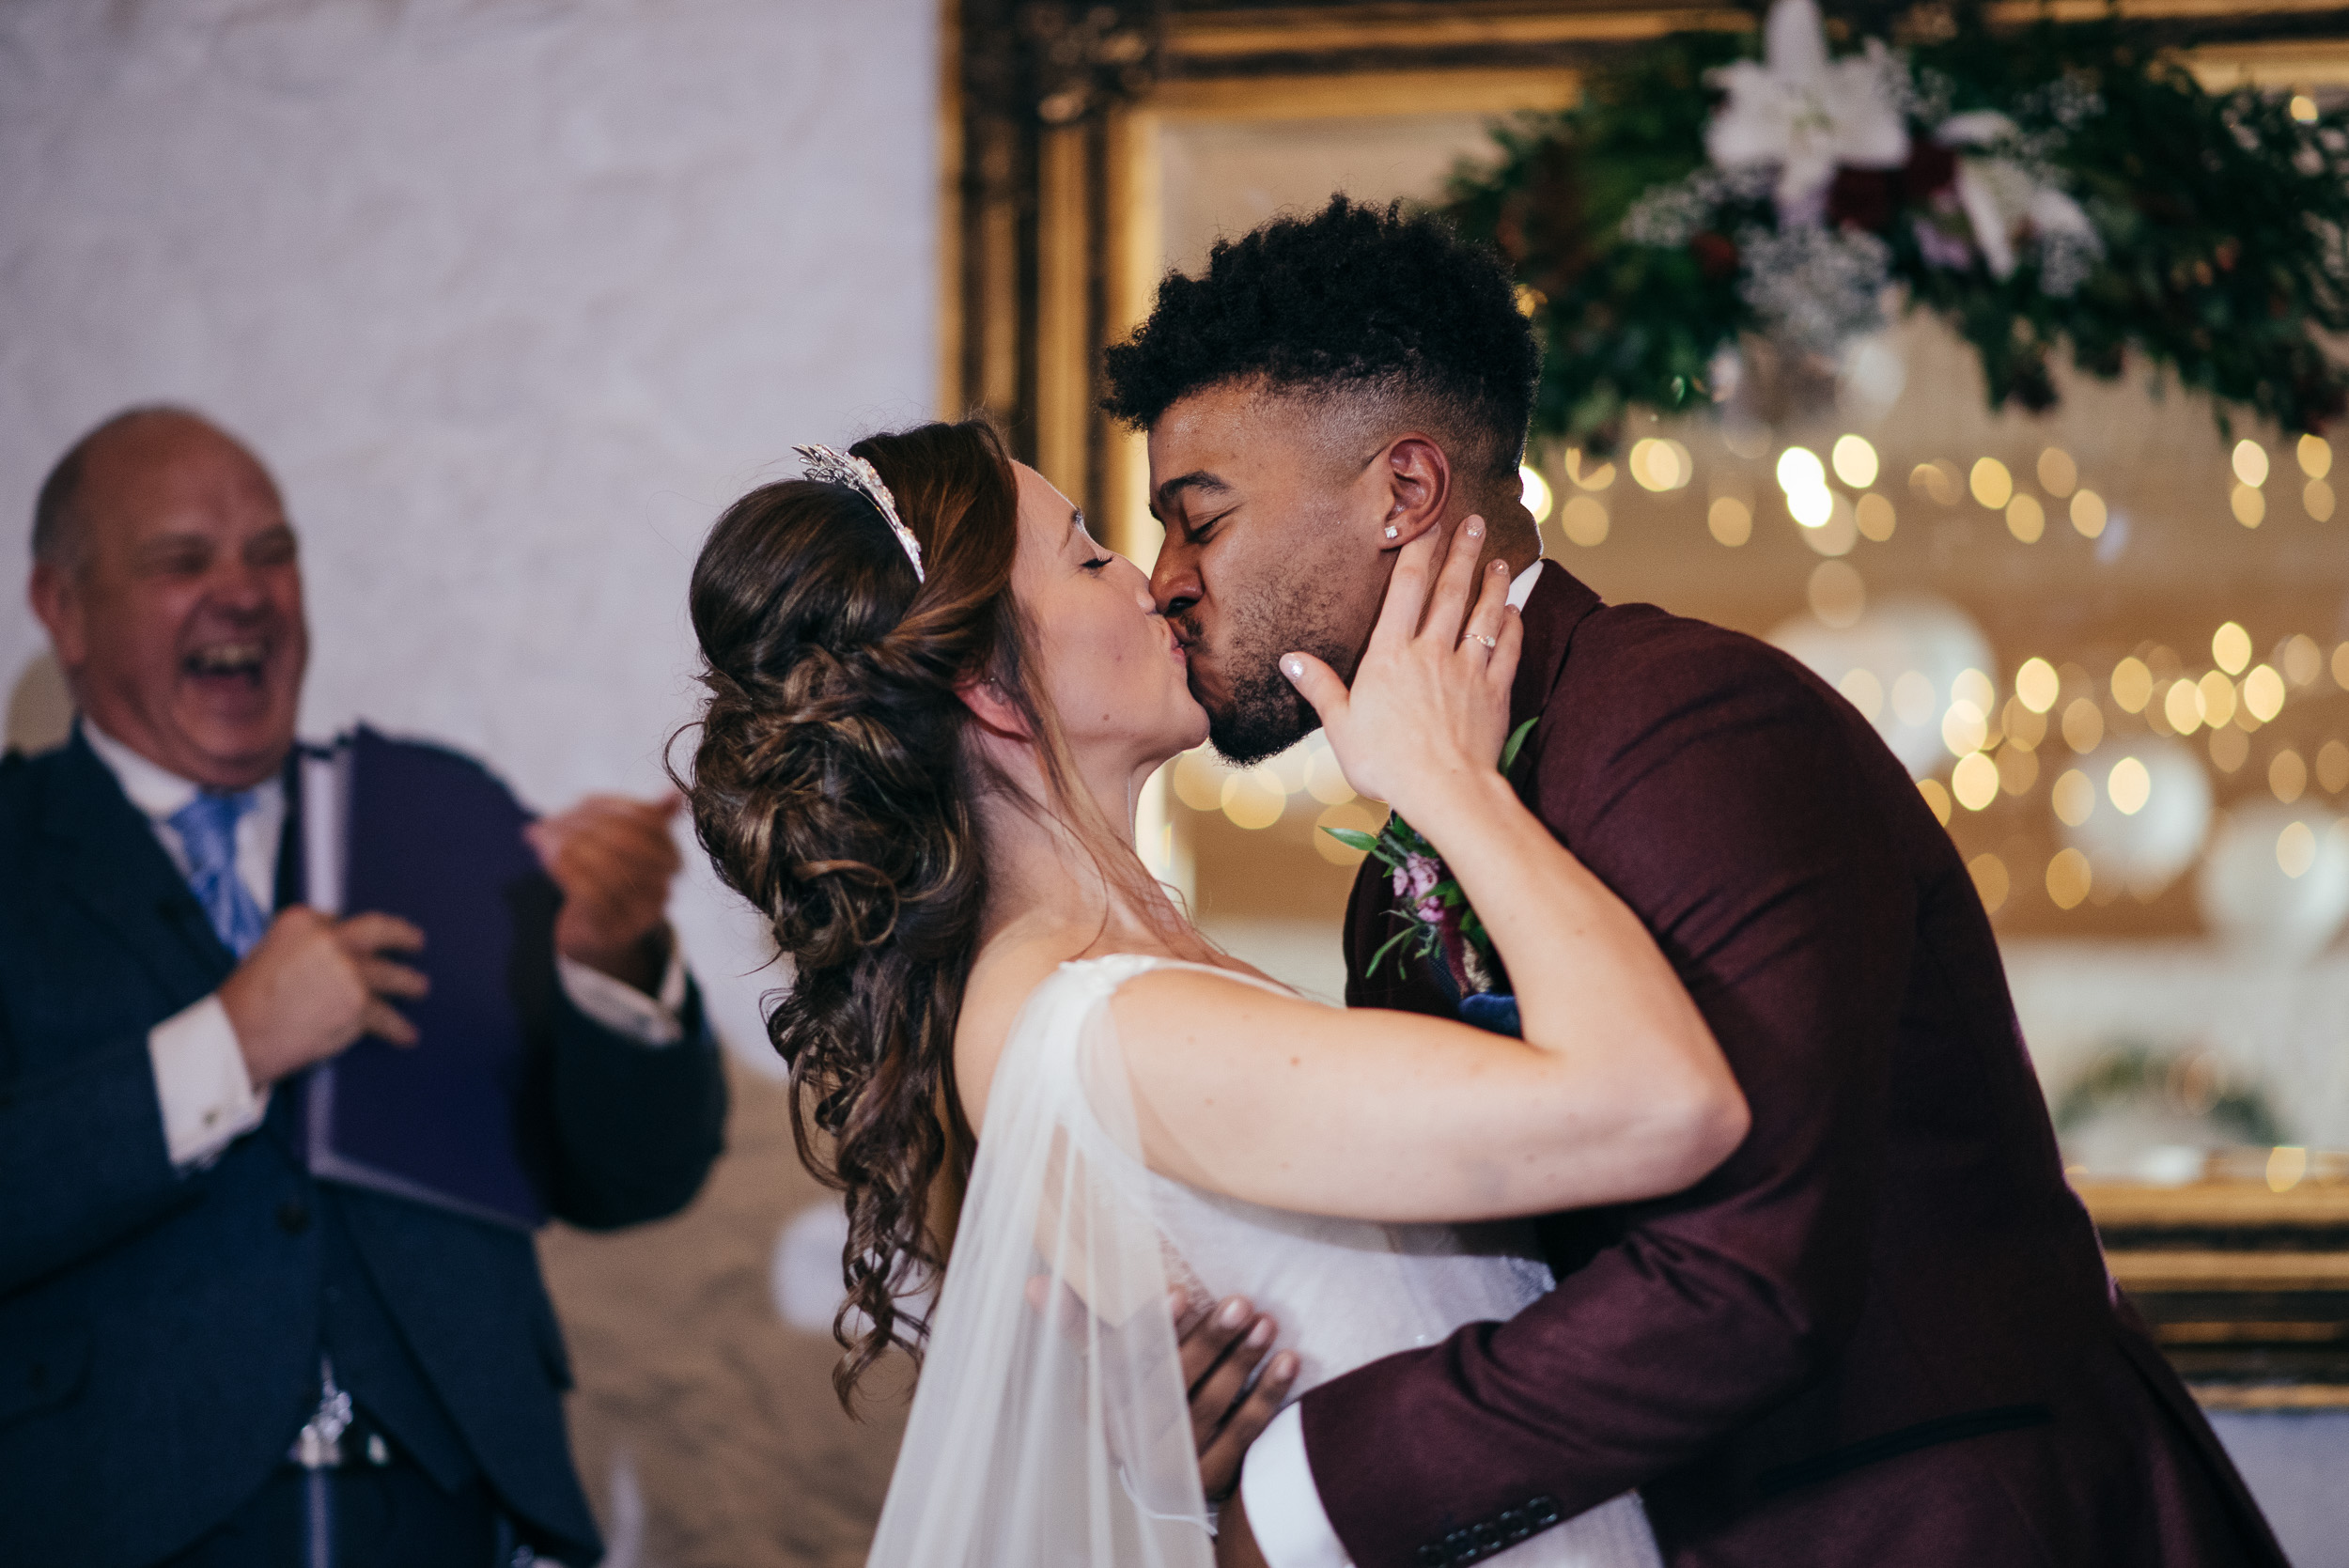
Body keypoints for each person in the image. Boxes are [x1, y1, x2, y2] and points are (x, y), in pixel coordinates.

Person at [1102, 197, 2288, 1568]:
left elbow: (1748, 1275)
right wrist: (1251, 1376)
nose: (1169, 581)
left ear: (1405, 494)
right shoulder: (1404, 860)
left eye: (1201, 521)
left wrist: (1310, 1492)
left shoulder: (1695, 726)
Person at [679, 423, 1749, 1568]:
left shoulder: (1104, 995)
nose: (1147, 581)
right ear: (990, 684)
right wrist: (1449, 784)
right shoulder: (1102, 1027)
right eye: (1088, 557)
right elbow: (1663, 1104)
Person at [0, 406, 728, 1567]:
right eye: (183, 561)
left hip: (458, 1522)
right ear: (63, 611)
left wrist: (613, 963)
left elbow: (634, 1177)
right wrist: (228, 1048)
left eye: (272, 555)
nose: (243, 592)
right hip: (114, 1524)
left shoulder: (442, 813)